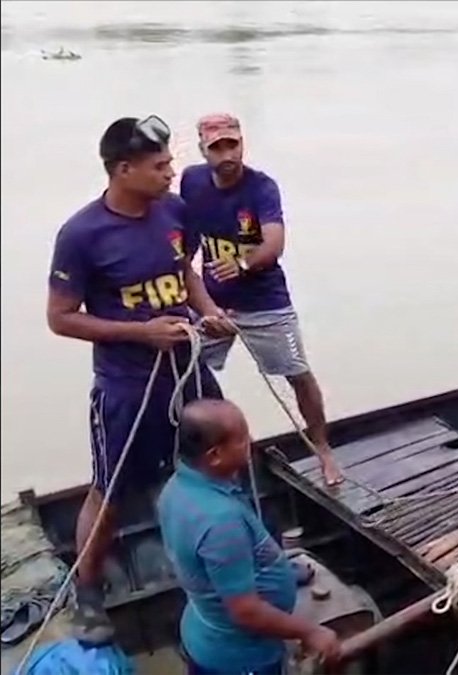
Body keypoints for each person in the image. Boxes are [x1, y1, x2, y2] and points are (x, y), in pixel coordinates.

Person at [46, 116, 235, 643]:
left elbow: (186, 272)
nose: (171, 173)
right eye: (159, 166)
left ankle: (235, 568)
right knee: (110, 493)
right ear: (122, 170)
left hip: (187, 371)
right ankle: (89, 593)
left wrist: (209, 310)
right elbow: (60, 317)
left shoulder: (173, 212)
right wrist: (139, 332)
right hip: (127, 388)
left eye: (170, 162)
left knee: (221, 465)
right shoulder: (82, 234)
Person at [179, 113, 343, 487]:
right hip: (211, 302)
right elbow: (183, 234)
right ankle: (200, 458)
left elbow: (274, 243)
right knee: (182, 371)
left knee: (298, 372)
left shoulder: (261, 188)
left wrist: (242, 263)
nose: (226, 154)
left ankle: (322, 448)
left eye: (232, 145)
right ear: (203, 149)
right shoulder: (191, 180)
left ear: (242, 144)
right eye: (216, 147)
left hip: (265, 301)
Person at [158, 399, 341, 674]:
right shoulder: (220, 521)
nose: (251, 442)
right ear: (215, 455)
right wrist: (311, 632)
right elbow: (246, 612)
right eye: (242, 439)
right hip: (240, 657)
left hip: (202, 631)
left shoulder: (176, 488)